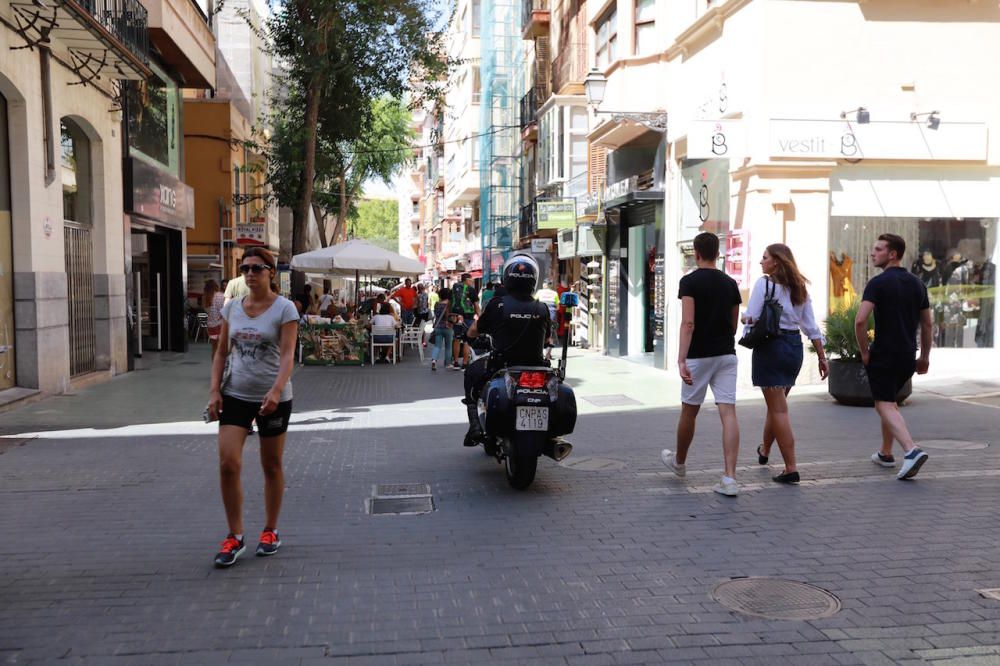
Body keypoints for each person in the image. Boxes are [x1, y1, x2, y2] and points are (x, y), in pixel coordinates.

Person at [206, 247, 299, 568]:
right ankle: (235, 535)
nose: (249, 273)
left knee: (271, 465)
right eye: (245, 268)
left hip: (273, 399)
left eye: (256, 268)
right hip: (235, 395)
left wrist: (275, 390)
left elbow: (288, 356)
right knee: (228, 463)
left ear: (270, 273)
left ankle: (271, 530)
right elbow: (221, 353)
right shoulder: (232, 308)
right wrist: (214, 390)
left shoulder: (285, 310)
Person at [660, 233, 743, 497]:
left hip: (698, 355)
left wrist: (681, 358)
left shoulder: (689, 282)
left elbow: (688, 323)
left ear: (696, 253)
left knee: (689, 412)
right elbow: (733, 324)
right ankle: (729, 477)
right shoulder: (731, 284)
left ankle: (680, 462)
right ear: (717, 253)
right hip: (726, 355)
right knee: (728, 412)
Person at [744, 243, 828, 484]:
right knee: (776, 406)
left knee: (779, 410)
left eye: (764, 258)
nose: (761, 262)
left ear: (776, 262)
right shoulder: (799, 288)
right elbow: (811, 326)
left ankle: (791, 468)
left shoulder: (764, 284)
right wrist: (822, 358)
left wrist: (744, 320)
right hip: (793, 349)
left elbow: (753, 317)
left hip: (771, 348)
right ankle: (765, 451)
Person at [856, 233, 932, 480]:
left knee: (883, 404)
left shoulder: (877, 283)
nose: (872, 253)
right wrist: (925, 357)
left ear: (892, 254)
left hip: (884, 354)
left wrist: (865, 351)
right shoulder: (918, 284)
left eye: (878, 249)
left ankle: (911, 451)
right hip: (907, 355)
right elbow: (928, 325)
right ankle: (885, 453)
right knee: (889, 400)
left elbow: (860, 320)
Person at [463, 255, 551, 447]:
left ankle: (475, 426)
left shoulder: (497, 304)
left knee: (471, 373)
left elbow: (473, 330)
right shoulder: (542, 308)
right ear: (533, 280)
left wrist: (469, 336)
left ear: (507, 278)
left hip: (502, 365)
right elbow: (548, 340)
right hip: (536, 366)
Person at [450, 273, 480, 369]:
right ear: (466, 280)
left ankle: (455, 362)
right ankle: (465, 362)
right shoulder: (471, 290)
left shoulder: (454, 289)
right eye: (471, 280)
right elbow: (476, 305)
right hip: (468, 317)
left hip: (456, 317)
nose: (472, 281)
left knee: (457, 339)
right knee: (467, 340)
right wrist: (480, 316)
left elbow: (450, 303)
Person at [429, 287, 454, 371]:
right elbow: (448, 316)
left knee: (437, 346)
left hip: (438, 327)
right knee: (448, 346)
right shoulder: (449, 304)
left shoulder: (437, 304)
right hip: (447, 327)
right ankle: (447, 363)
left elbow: (436, 315)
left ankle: (433, 360)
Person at [536, 280, 559, 361]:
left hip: (541, 315)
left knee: (540, 333)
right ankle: (548, 355)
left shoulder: (540, 292)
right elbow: (558, 306)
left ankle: (539, 353)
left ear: (545, 285)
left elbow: (534, 301)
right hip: (552, 316)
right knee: (551, 335)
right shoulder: (554, 293)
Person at [203, 279, 225, 359]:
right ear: (216, 286)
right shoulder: (220, 295)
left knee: (214, 348)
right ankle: (220, 367)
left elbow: (206, 310)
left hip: (210, 325)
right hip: (220, 325)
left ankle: (214, 365)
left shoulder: (205, 297)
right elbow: (223, 310)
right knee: (221, 348)